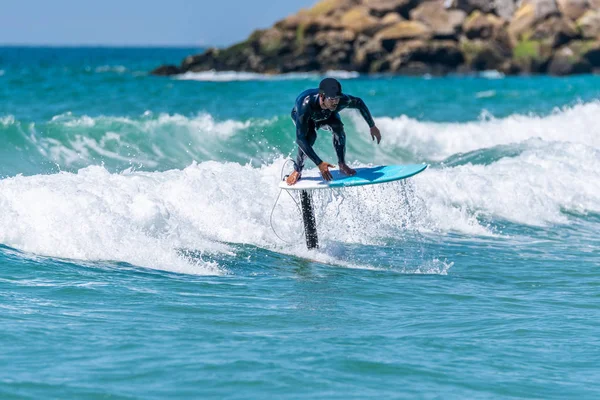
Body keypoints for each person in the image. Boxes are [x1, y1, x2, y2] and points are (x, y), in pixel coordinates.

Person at [286, 77, 381, 185]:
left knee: (338, 126)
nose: (335, 102)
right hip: (305, 117)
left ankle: (342, 164)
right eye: (332, 99)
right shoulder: (305, 104)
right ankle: (297, 169)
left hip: (327, 115)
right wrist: (319, 163)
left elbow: (359, 102)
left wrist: (372, 126)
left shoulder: (339, 101)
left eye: (337, 98)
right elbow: (300, 139)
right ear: (322, 96)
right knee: (310, 136)